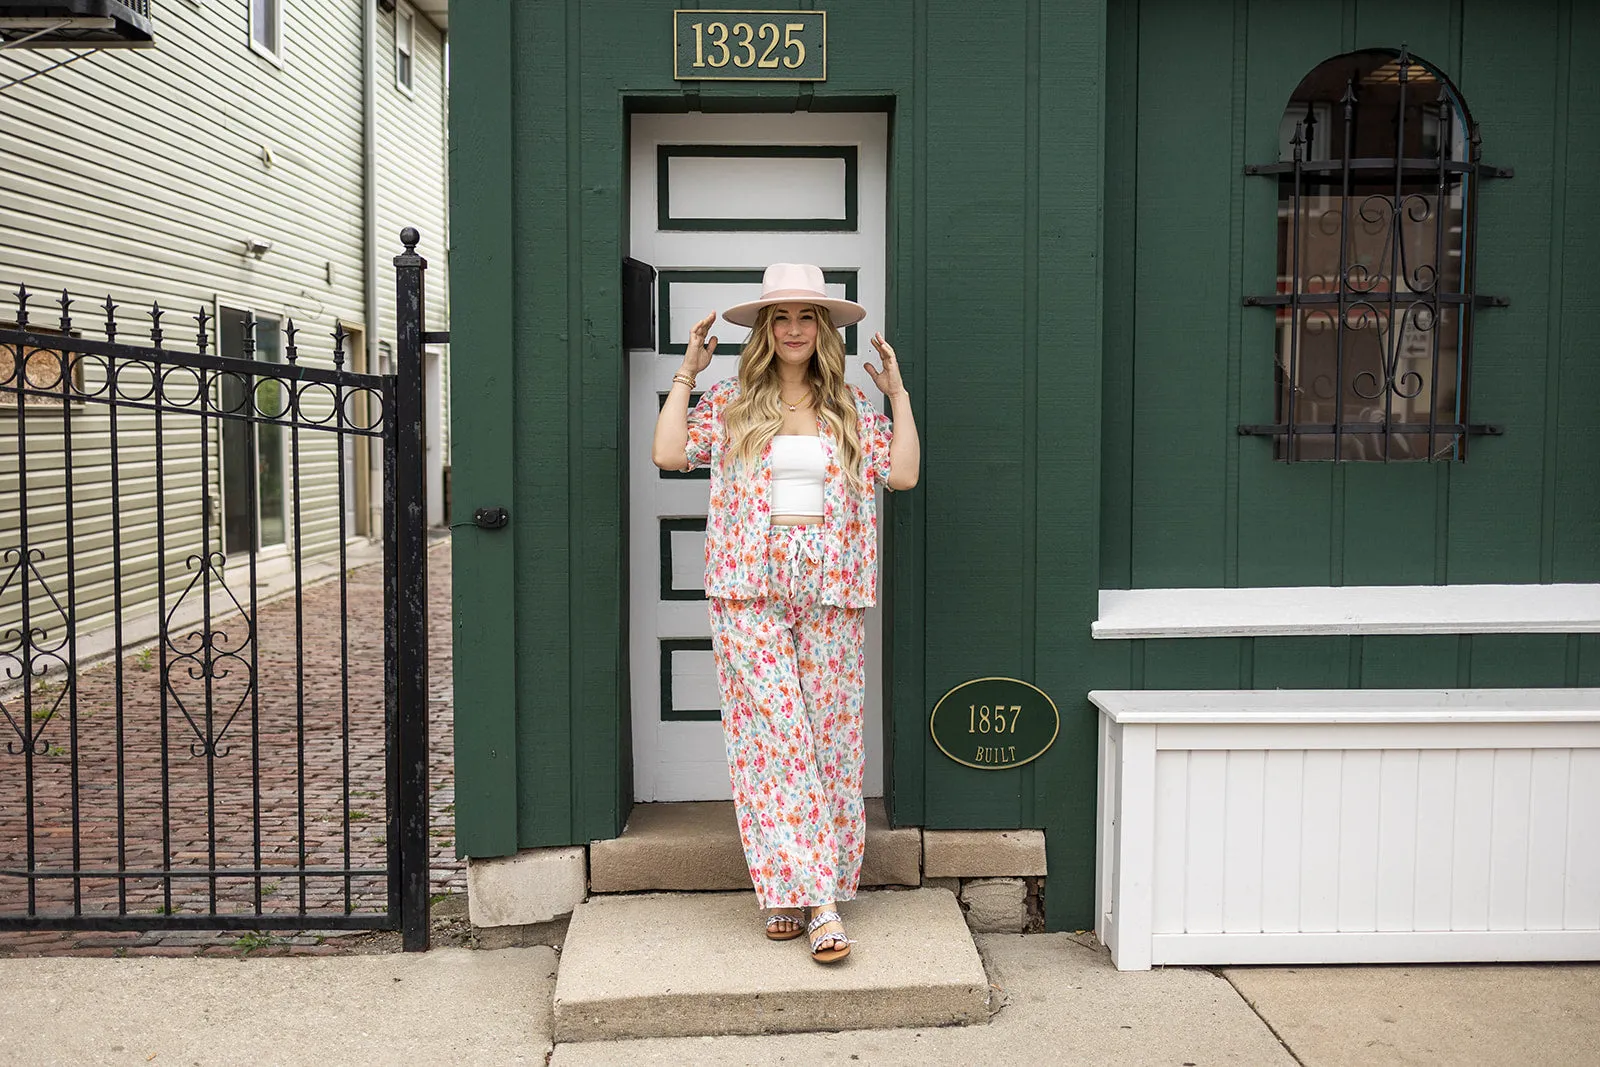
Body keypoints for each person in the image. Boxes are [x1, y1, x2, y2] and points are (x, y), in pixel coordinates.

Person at [652, 263, 920, 963]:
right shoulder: (733, 400)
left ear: (825, 330)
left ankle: (785, 889)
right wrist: (687, 372)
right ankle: (821, 902)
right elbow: (669, 451)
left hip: (831, 590)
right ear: (765, 331)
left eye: (808, 317)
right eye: (782, 317)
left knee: (827, 743)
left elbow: (904, 474)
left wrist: (898, 395)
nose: (796, 329)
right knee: (776, 738)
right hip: (748, 589)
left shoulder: (853, 410)